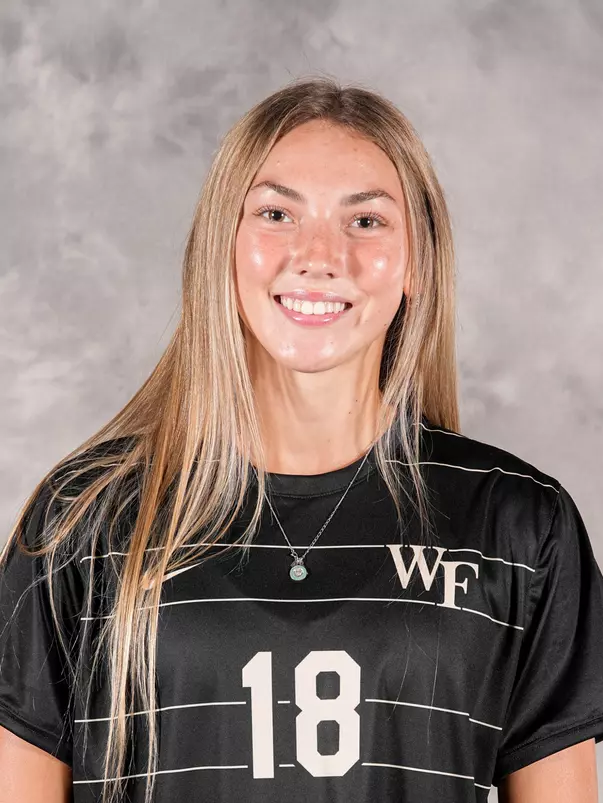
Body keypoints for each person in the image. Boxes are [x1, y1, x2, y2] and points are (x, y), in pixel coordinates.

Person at [0, 76, 602, 803]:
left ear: (417, 261)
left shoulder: (518, 524)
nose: (319, 255)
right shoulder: (83, 518)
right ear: (221, 247)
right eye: (276, 213)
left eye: (366, 220)